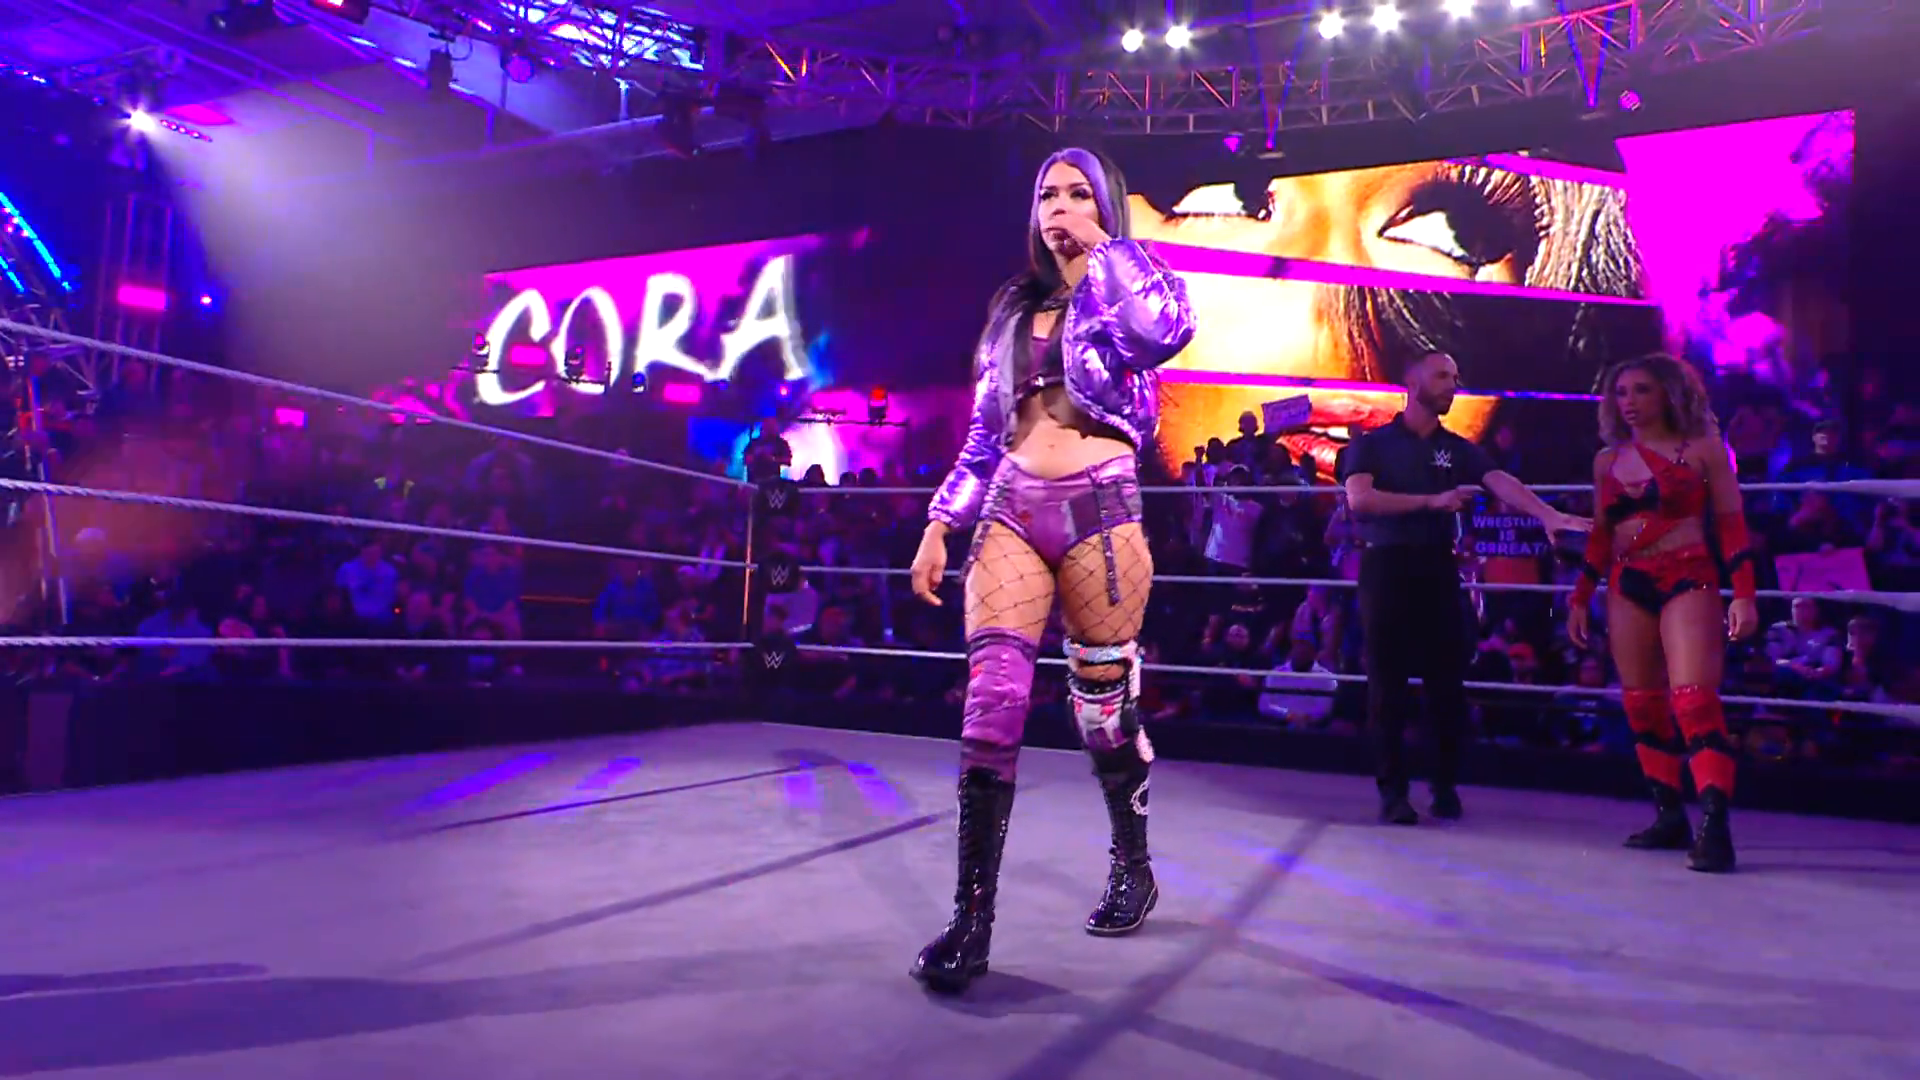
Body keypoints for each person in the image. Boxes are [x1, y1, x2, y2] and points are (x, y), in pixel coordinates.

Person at [906, 146, 1194, 994]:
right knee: (990, 704)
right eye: (1047, 195)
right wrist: (939, 522)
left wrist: (1105, 249)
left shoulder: (1131, 282)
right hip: (1010, 507)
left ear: (1104, 206)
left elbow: (1163, 334)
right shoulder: (1012, 307)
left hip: (1102, 508)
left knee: (1102, 712)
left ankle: (1132, 862)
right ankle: (971, 922)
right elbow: (982, 434)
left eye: (1077, 194)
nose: (1059, 207)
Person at [1338, 352, 1587, 825]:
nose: (1452, 384)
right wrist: (1433, 502)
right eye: (1441, 375)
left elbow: (1499, 481)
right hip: (1387, 564)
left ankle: (1444, 785)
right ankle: (1393, 791)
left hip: (1437, 565)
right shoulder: (1373, 445)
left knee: (1446, 681)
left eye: (1454, 376)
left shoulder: (1457, 448)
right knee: (1388, 682)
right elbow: (1360, 499)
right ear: (1412, 382)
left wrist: (1547, 515)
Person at [1567, 354, 1759, 873]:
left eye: (1641, 390)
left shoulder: (1703, 450)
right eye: (1621, 392)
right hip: (1627, 581)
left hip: (1688, 573)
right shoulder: (1607, 461)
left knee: (1694, 699)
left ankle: (1715, 825)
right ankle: (1669, 814)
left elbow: (1732, 524)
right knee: (1642, 702)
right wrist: (1580, 595)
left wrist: (1744, 594)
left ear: (1669, 394)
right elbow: (1601, 533)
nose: (1628, 402)